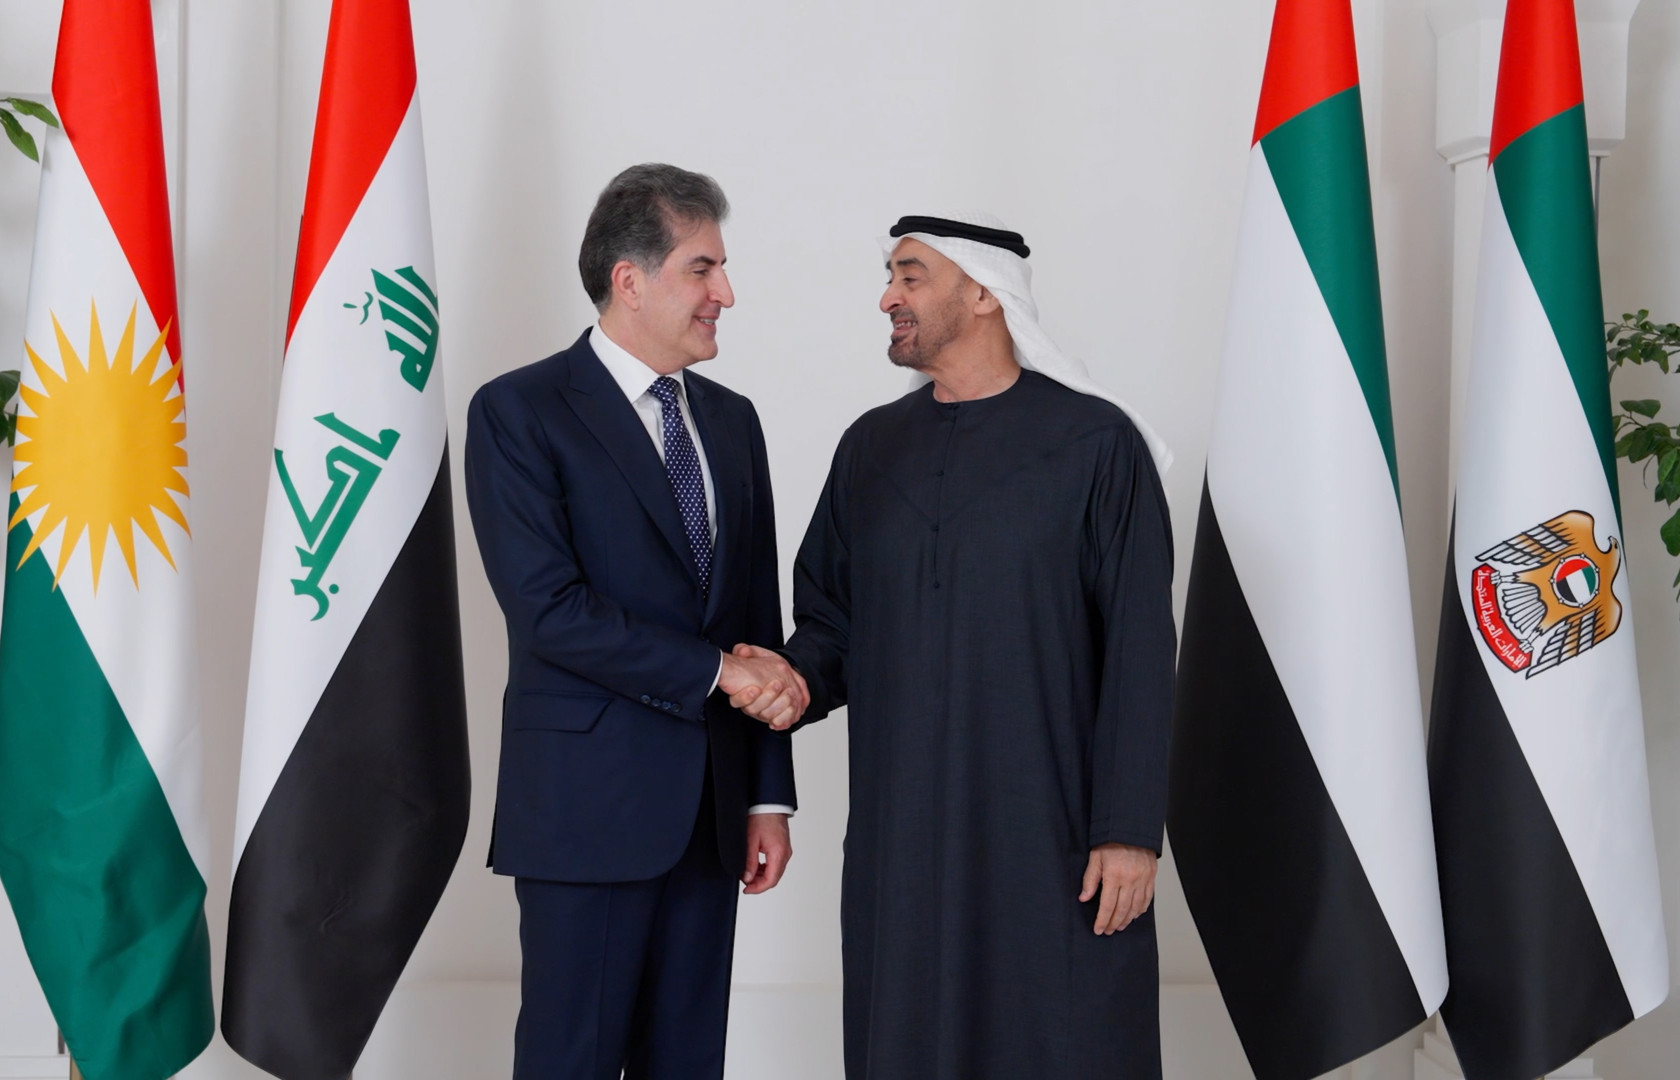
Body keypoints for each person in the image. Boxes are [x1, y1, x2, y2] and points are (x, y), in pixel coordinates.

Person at [734, 212, 1177, 1078]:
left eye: (911, 278)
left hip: (1051, 833)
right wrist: (788, 680)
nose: (887, 299)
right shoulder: (871, 448)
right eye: (890, 278)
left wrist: (1129, 830)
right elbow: (832, 624)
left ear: (984, 294)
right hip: (903, 836)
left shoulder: (1097, 444)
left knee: (1063, 1033)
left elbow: (1138, 650)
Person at [464, 163, 809, 1080]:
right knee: (570, 1062)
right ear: (630, 280)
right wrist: (718, 673)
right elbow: (549, 611)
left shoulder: (733, 422)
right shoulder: (519, 411)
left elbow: (755, 620)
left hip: (713, 817)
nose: (725, 293)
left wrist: (765, 796)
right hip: (585, 810)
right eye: (703, 269)